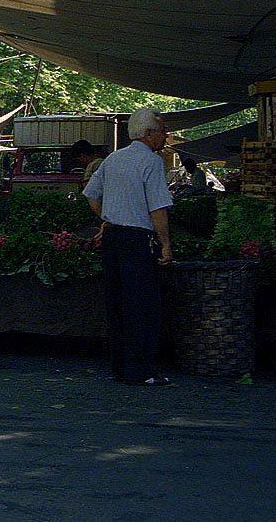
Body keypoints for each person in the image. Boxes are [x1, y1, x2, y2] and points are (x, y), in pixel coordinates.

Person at [83, 107, 175, 386]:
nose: (165, 136)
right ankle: (141, 372)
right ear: (148, 134)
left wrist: (110, 216)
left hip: (112, 238)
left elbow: (90, 194)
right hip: (136, 239)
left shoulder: (112, 159)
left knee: (117, 304)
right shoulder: (151, 162)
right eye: (161, 131)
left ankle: (121, 368)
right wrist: (166, 245)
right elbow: (158, 207)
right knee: (142, 305)